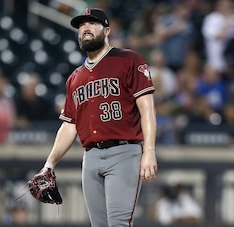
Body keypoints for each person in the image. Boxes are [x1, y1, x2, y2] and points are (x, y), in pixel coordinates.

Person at [34, 8, 158, 227]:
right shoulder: (75, 78)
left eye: (92, 23)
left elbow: (147, 108)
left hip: (124, 151)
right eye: (82, 25)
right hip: (90, 157)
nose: (86, 28)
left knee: (118, 224)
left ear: (107, 30)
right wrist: (49, 164)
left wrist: (149, 152)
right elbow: (69, 126)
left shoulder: (128, 59)